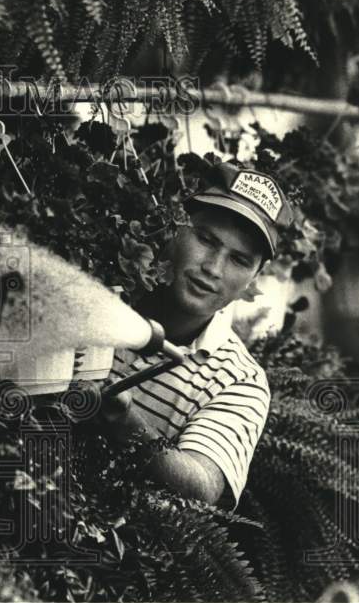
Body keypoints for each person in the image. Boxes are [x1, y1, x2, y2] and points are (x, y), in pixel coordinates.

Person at [100, 162, 294, 509]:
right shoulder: (103, 287)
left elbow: (203, 484)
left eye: (239, 259)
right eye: (205, 239)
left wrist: (125, 422)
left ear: (255, 276)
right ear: (175, 226)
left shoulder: (240, 381)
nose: (213, 268)